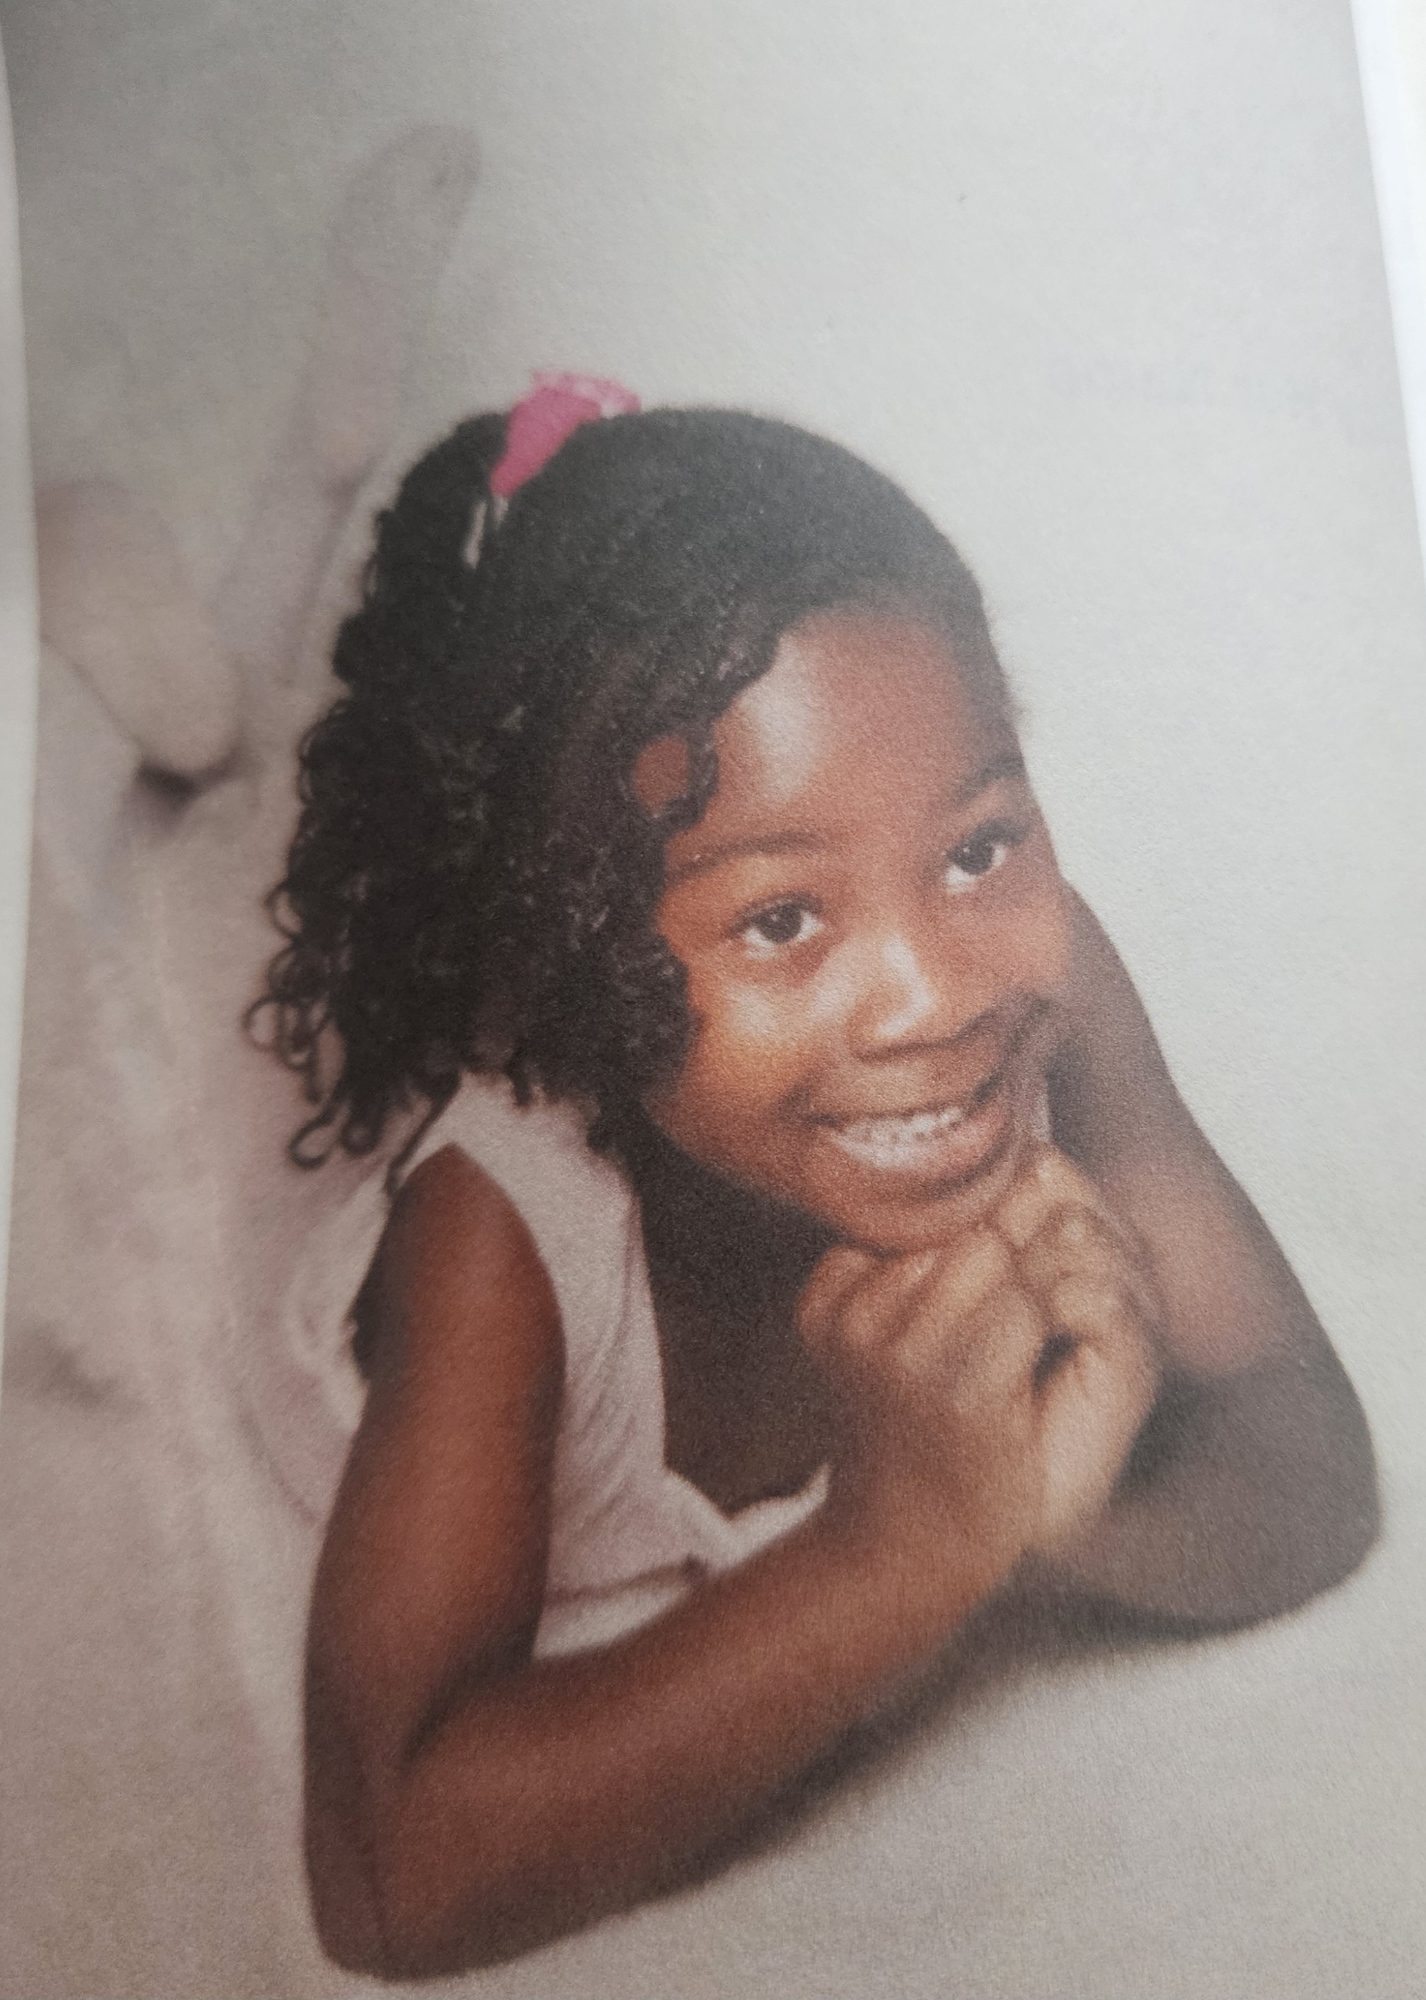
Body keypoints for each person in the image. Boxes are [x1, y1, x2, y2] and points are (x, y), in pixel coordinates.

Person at [254, 383, 1379, 1980]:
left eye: (978, 846)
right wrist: (898, 1545)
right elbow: (389, 1880)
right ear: (569, 957)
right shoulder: (496, 1225)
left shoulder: (1049, 1001)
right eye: (781, 919)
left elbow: (1309, 1465)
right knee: (206, 803)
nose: (935, 996)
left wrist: (1046, 1507)